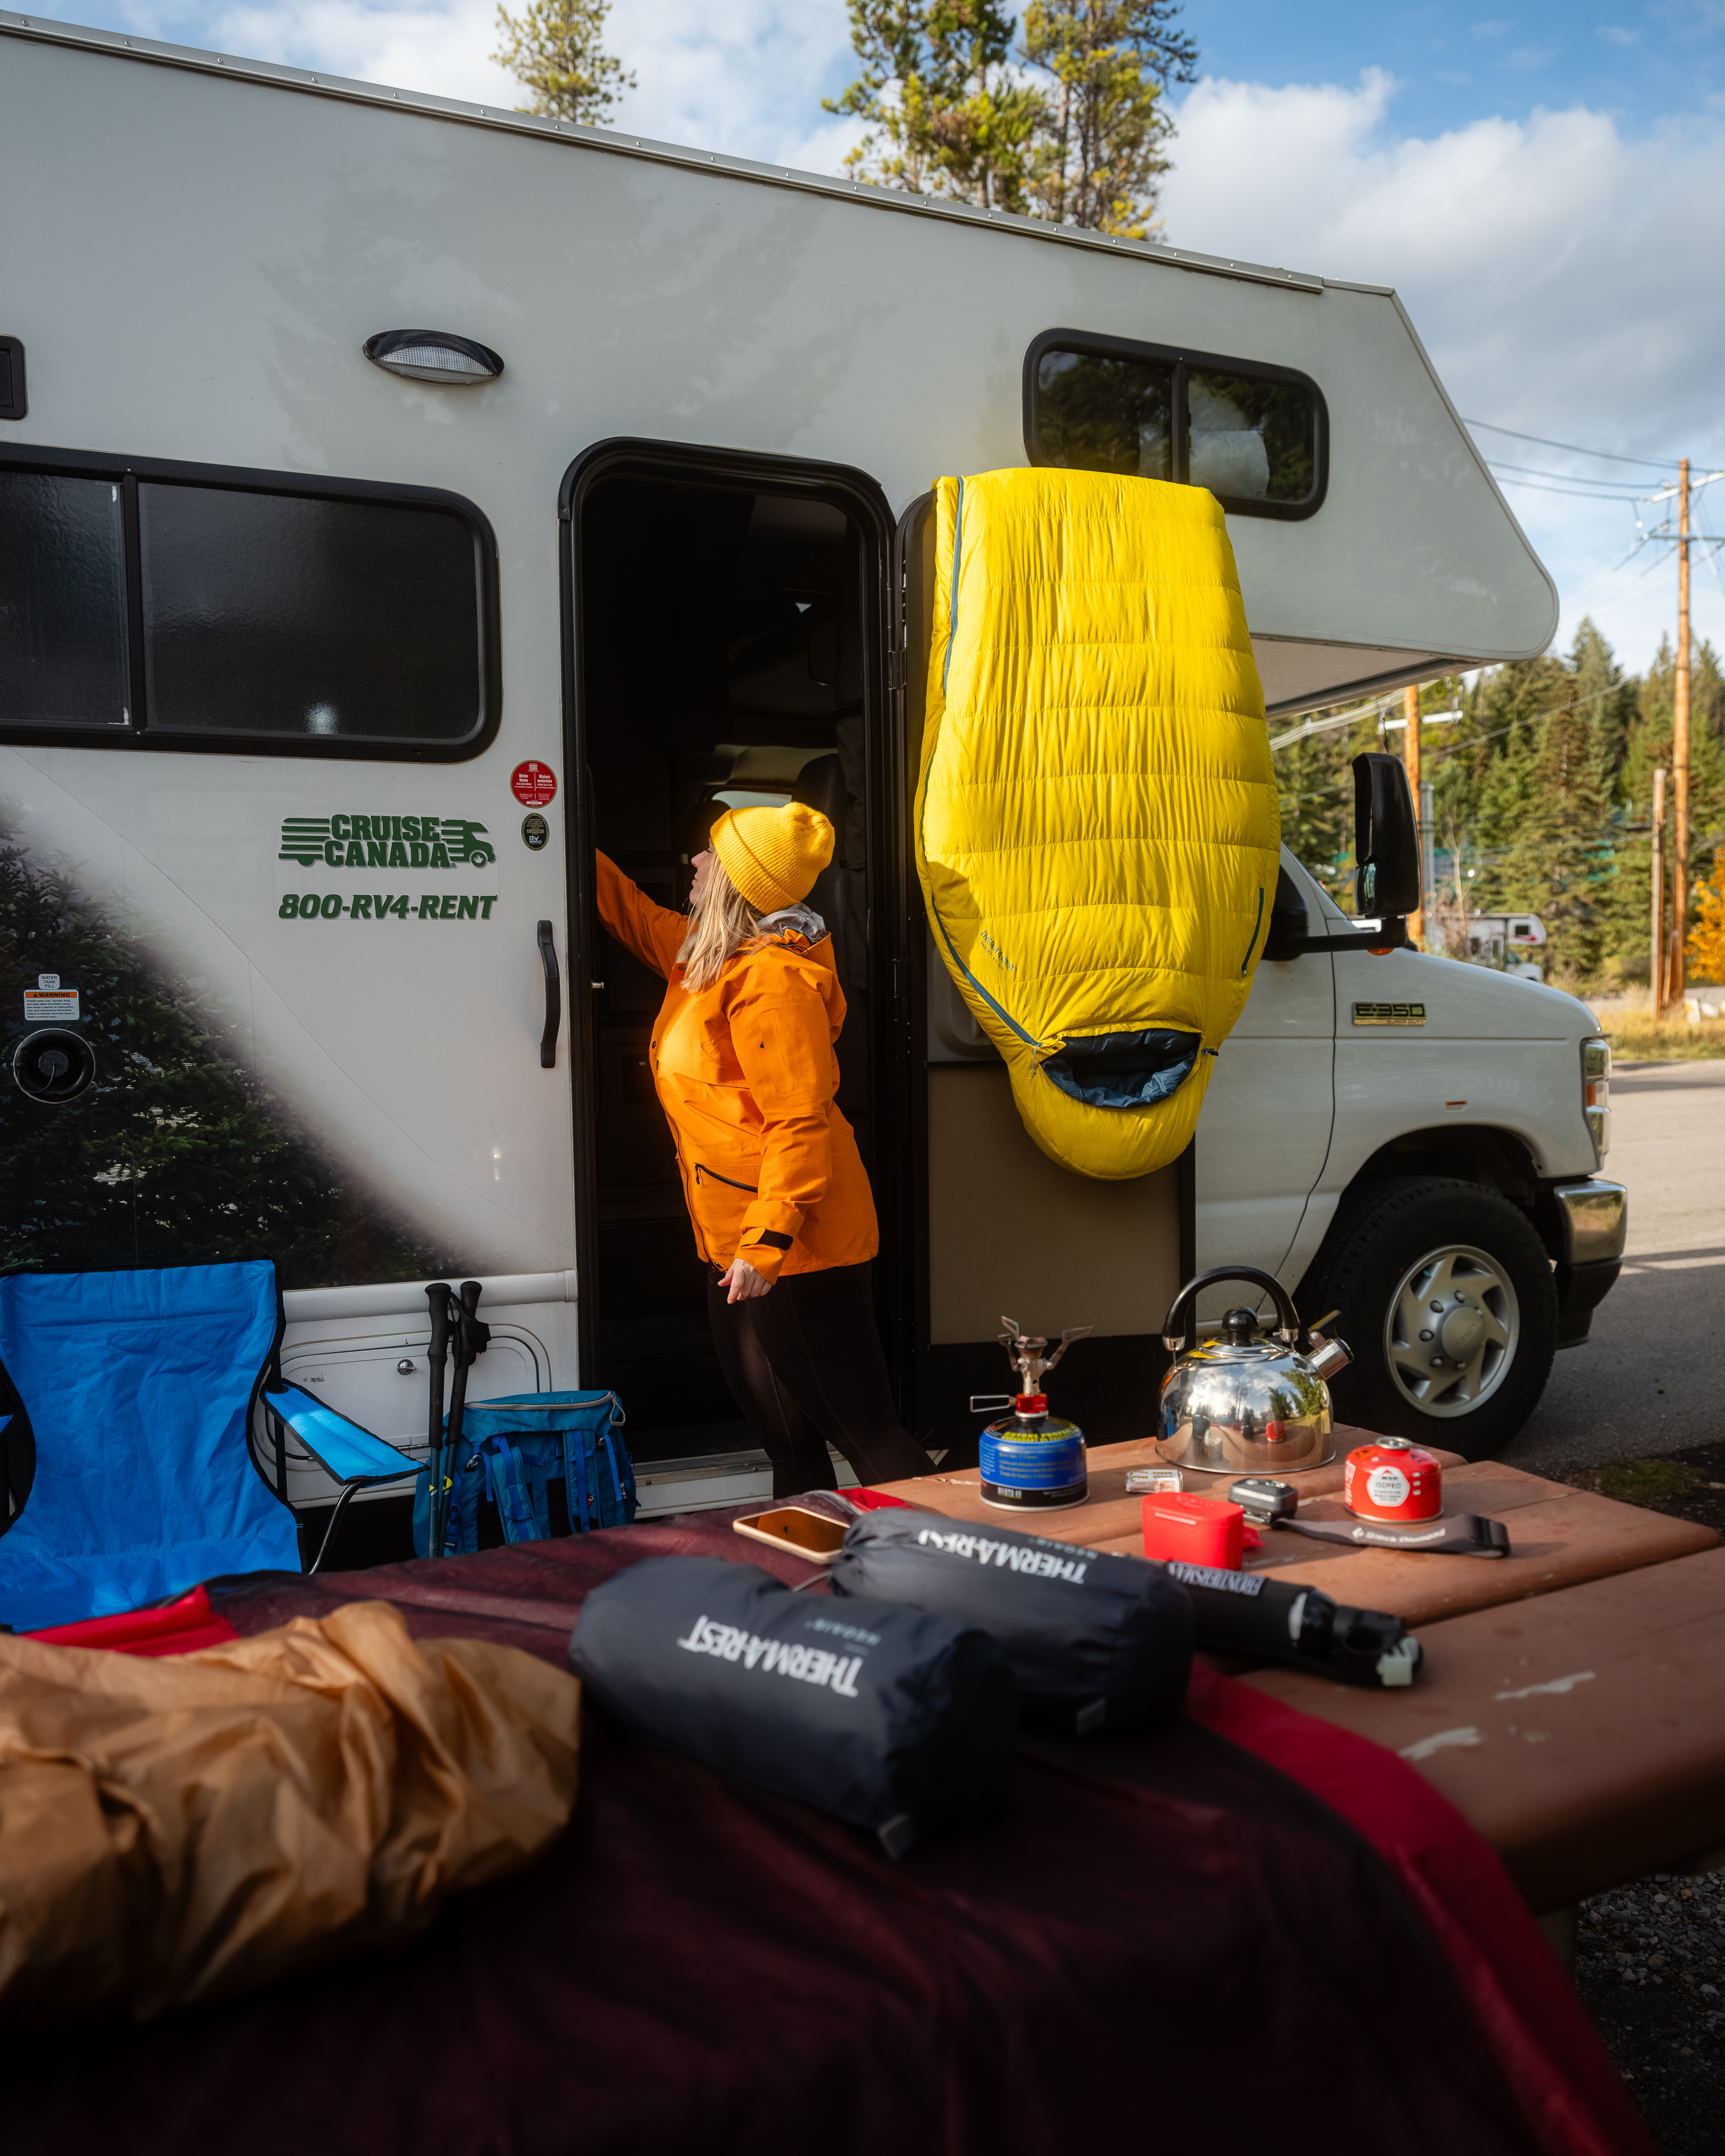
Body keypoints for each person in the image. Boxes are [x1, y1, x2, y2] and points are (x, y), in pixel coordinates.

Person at [597, 801, 931, 1497]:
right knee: (786, 1441)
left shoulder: (773, 983)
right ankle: (804, 1578)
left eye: (708, 854)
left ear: (737, 882)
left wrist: (766, 1241)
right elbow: (628, 912)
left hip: (798, 1243)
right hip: (738, 1241)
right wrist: (549, 830)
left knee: (865, 1432)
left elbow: (798, 1123)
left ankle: (972, 1571)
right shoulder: (705, 959)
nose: (693, 863)